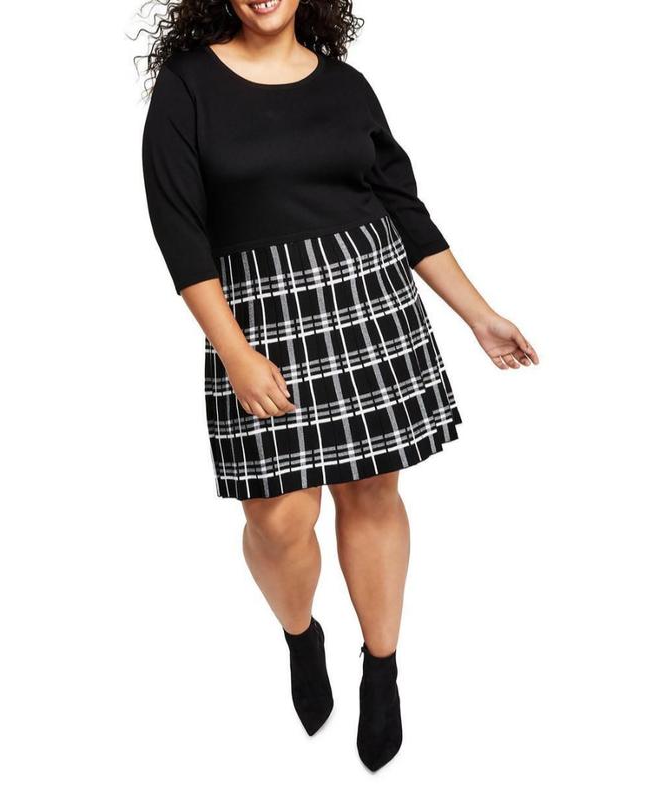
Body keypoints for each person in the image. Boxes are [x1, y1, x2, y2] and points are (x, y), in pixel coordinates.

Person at [140, 0, 539, 772]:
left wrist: (480, 316)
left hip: (367, 303)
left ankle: (382, 669)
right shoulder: (187, 86)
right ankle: (301, 636)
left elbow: (402, 208)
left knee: (373, 492)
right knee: (280, 516)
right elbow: (178, 228)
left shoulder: (345, 85)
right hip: (257, 318)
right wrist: (234, 352)